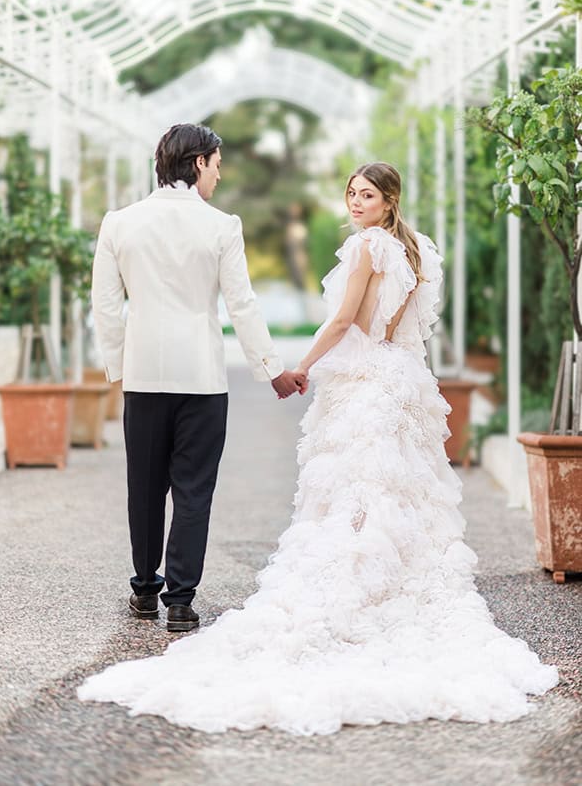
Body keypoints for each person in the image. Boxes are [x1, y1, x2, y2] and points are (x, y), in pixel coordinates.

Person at [79, 161, 558, 733]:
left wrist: (299, 366)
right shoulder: (414, 250)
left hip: (351, 384)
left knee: (351, 488)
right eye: (352, 193)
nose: (356, 203)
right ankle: (366, 587)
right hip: (396, 378)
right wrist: (274, 366)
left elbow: (343, 321)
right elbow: (360, 321)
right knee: (393, 491)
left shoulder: (362, 250)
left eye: (367, 195)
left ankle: (165, 588)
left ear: (389, 200)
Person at [90, 123, 305, 634]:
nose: (220, 174)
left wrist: (118, 368)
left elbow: (105, 306)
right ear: (198, 163)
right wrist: (271, 370)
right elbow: (242, 304)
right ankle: (181, 601)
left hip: (144, 375)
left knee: (143, 486)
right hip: (202, 380)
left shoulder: (119, 223)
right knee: (193, 490)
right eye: (217, 163)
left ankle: (145, 590)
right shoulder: (222, 226)